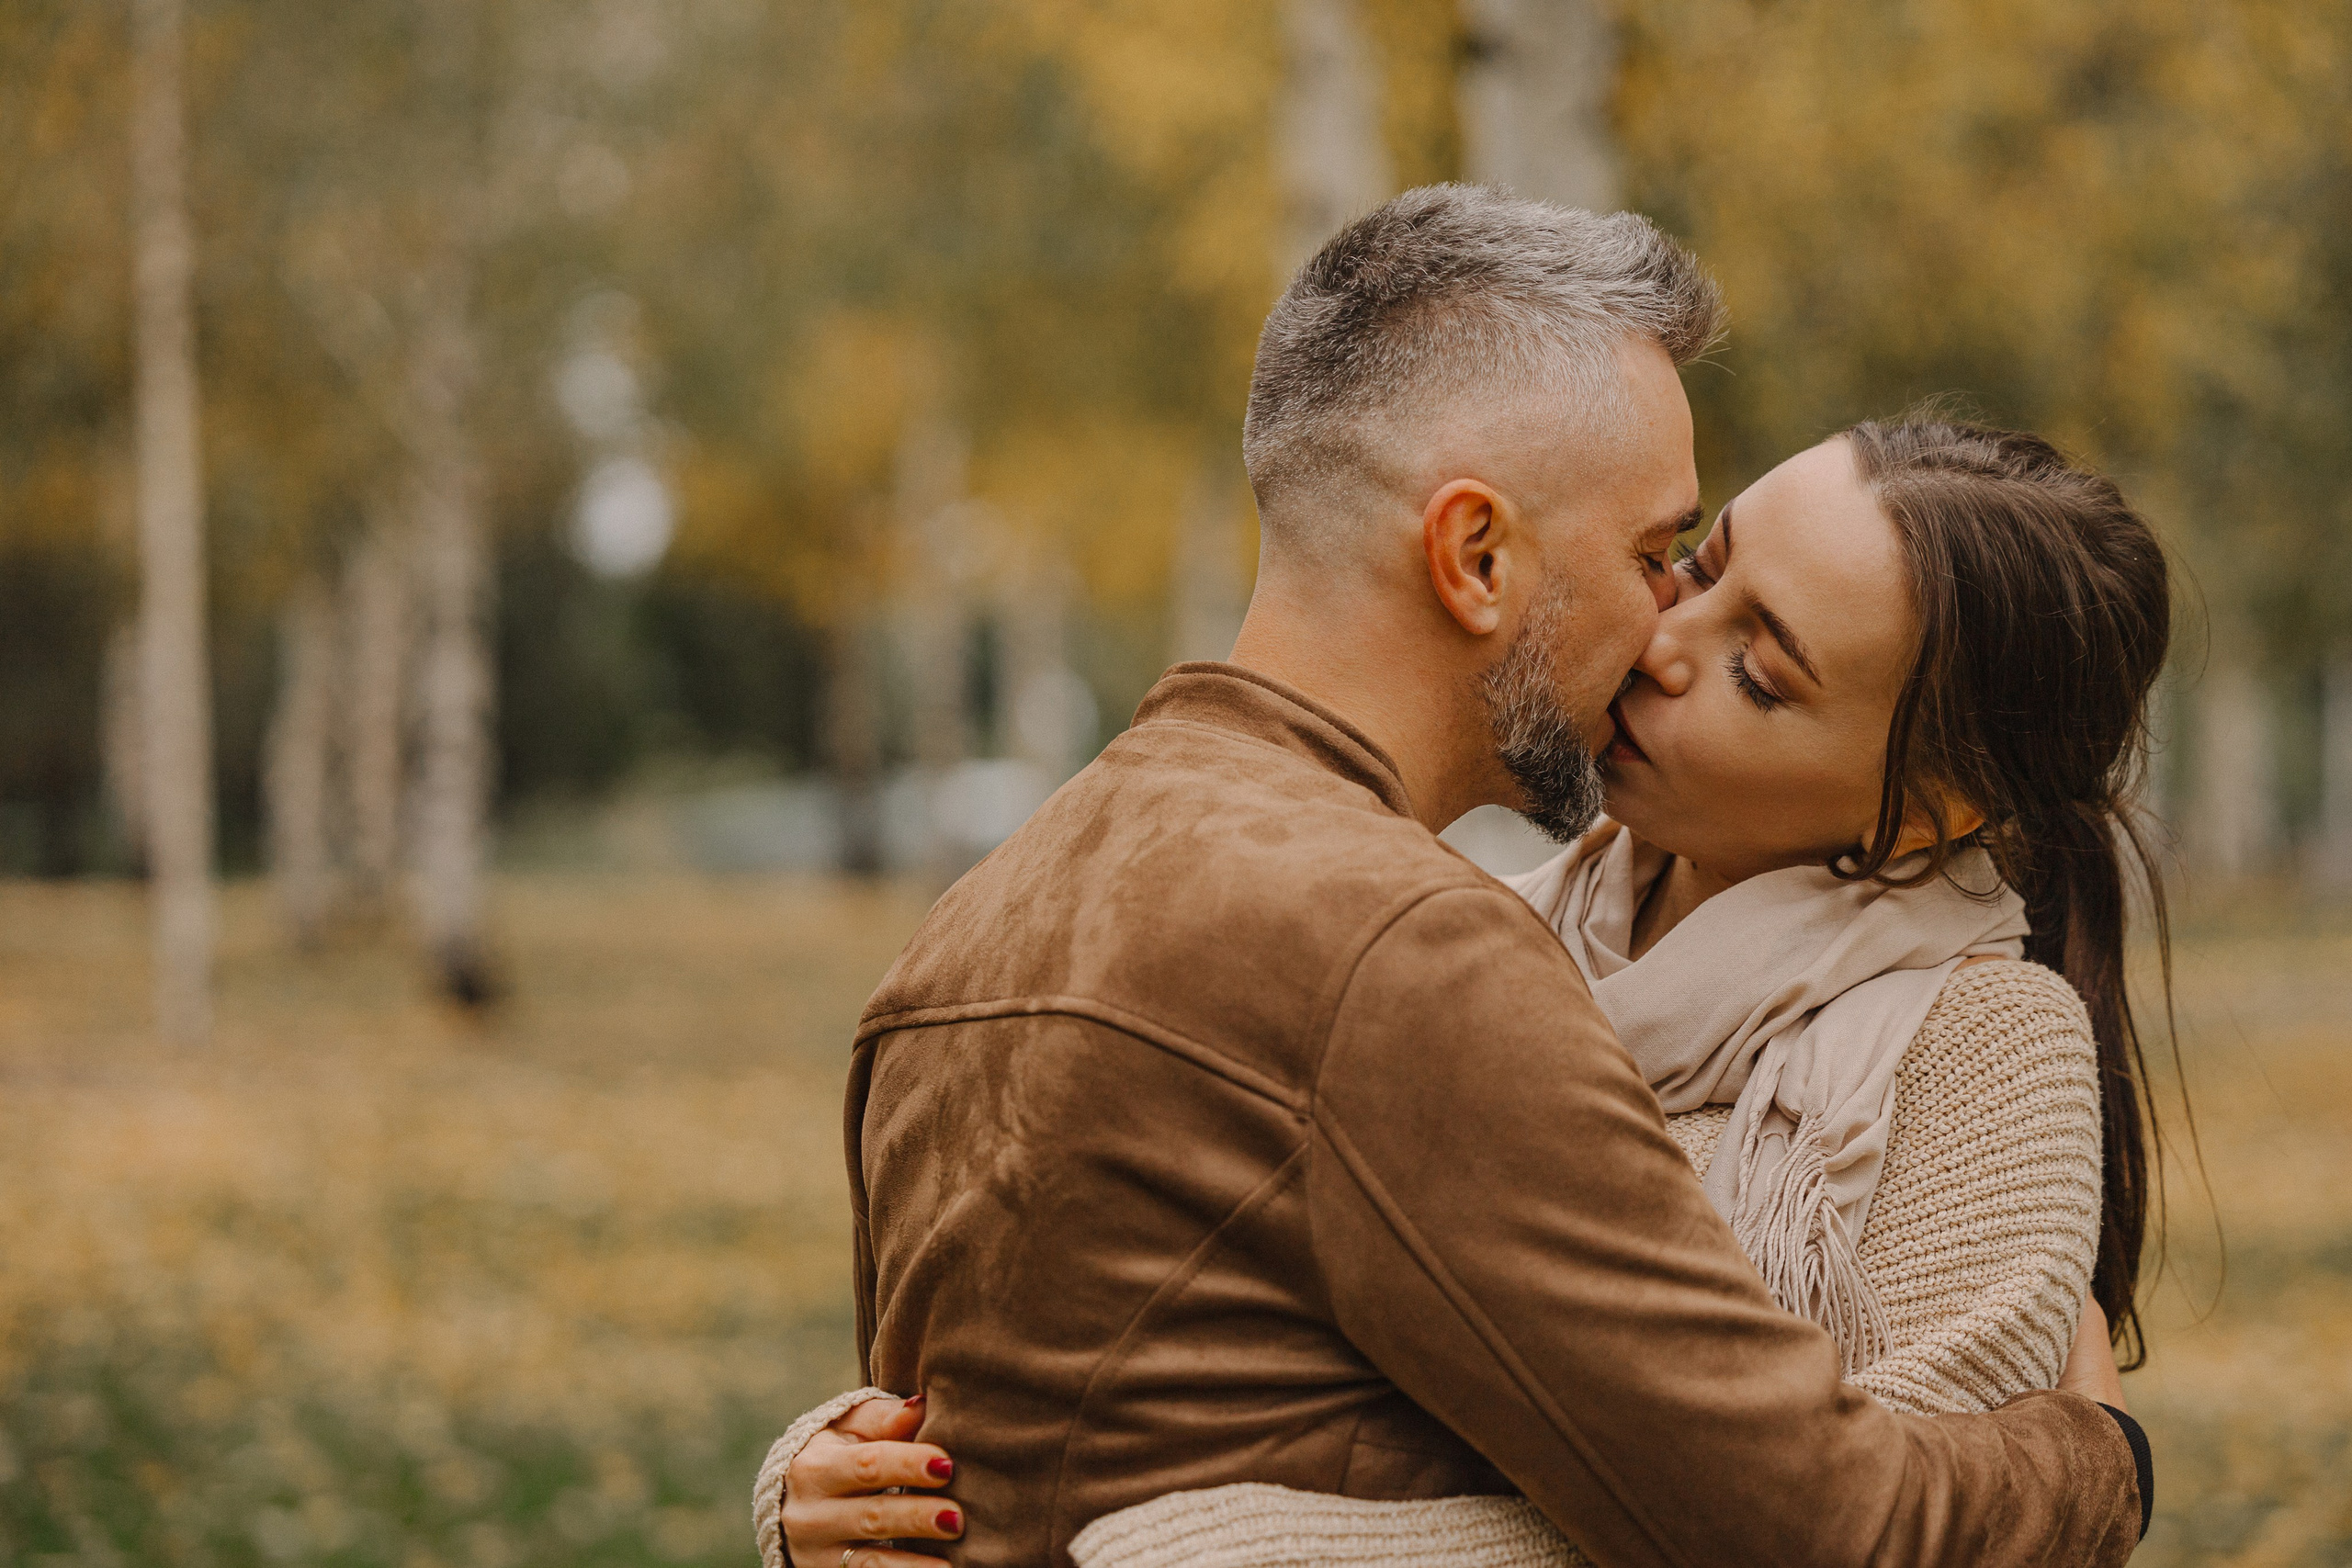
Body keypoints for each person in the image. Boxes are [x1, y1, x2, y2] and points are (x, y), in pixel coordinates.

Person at [760, 186, 2155, 1568]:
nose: (1665, 628)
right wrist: (2098, 1461)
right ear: (1476, 555)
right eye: (1665, 557)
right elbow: (1801, 1524)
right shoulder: (1411, 955)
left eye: (1744, 642)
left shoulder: (975, 918)